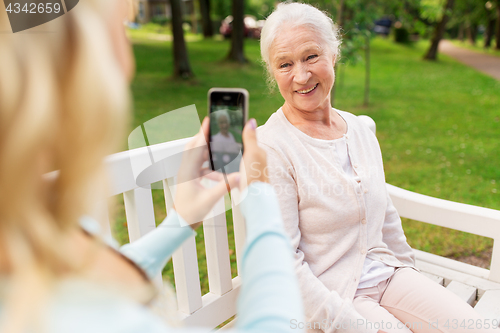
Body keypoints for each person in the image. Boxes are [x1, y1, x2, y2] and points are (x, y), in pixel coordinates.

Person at [0, 1, 303, 332]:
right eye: (119, 30)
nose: (127, 65)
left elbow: (104, 277)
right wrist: (259, 193)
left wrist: (180, 220)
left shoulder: (30, 219)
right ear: (73, 61)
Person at [257, 3, 497, 333]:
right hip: (332, 299)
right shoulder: (271, 148)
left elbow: (385, 215)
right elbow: (283, 262)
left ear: (333, 54)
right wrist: (349, 323)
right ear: (273, 72)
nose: (301, 75)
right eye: (285, 64)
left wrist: (408, 273)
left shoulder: (358, 129)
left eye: (311, 56)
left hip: (386, 274)